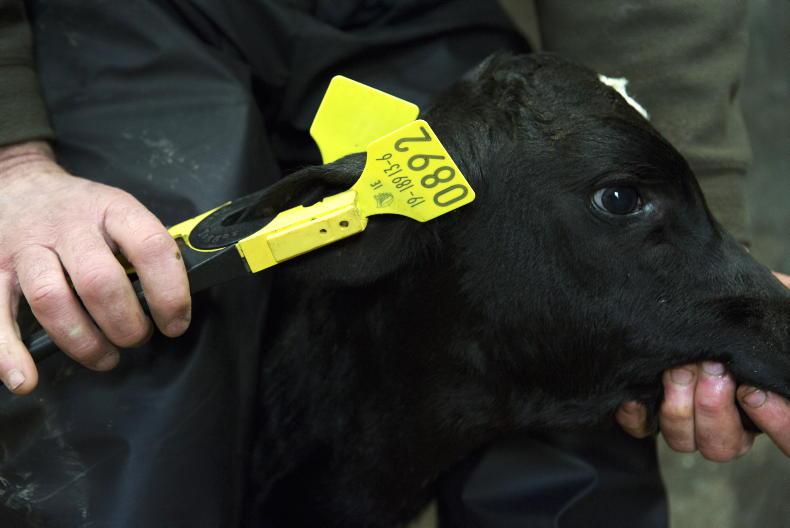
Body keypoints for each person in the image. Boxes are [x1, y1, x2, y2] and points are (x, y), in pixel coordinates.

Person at [0, 1, 786, 526]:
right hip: (131, 15)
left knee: (572, 454)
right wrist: (13, 156)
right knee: (128, 346)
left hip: (418, 14)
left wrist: (708, 255)